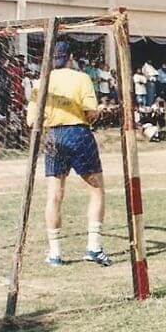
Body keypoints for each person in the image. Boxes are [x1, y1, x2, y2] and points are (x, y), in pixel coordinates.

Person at [27, 41, 111, 267]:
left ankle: (54, 253)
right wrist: (99, 112)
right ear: (70, 56)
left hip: (53, 137)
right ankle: (94, 247)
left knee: (54, 195)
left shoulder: (41, 82)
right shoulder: (81, 78)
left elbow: (31, 120)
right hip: (77, 133)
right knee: (96, 189)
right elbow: (91, 112)